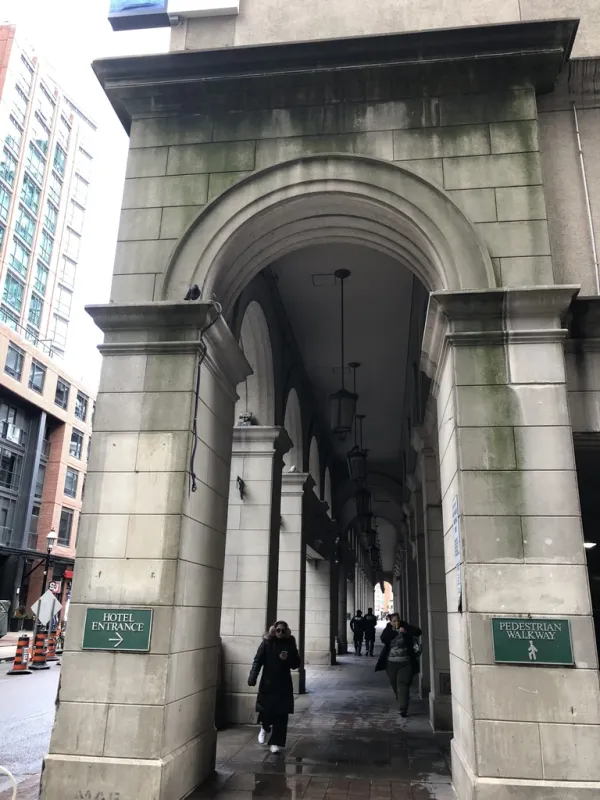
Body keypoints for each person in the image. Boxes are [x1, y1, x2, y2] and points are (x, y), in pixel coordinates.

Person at [248, 620, 300, 754]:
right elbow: (258, 660)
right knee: (266, 711)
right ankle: (264, 727)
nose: (280, 633)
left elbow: (296, 663)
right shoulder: (267, 642)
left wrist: (288, 658)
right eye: (278, 630)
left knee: (282, 714)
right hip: (268, 683)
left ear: (286, 631)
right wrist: (253, 676)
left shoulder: (290, 643)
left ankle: (275, 742)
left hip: (284, 684)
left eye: (283, 630)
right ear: (274, 630)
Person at [375, 612, 422, 717]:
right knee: (394, 684)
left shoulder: (405, 627)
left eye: (398, 620)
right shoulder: (388, 629)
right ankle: (401, 698)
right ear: (390, 622)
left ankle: (403, 708)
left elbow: (418, 632)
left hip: (406, 662)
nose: (396, 622)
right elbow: (383, 639)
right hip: (391, 663)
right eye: (394, 621)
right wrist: (393, 632)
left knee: (403, 684)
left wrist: (406, 631)